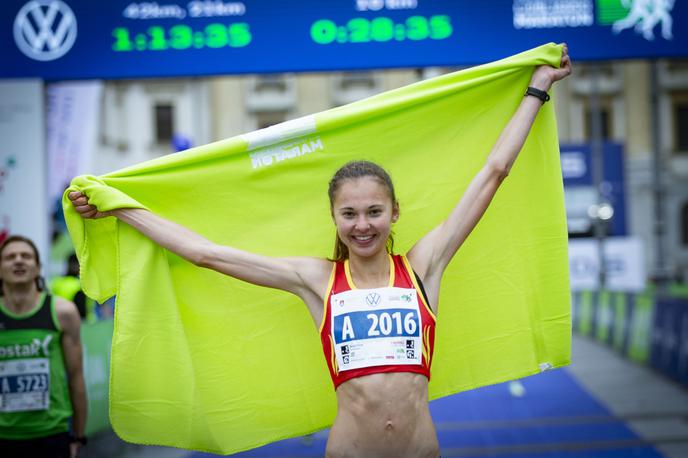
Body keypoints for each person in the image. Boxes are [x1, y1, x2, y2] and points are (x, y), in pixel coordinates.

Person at [69, 46, 571, 458]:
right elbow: (205, 253)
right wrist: (119, 209)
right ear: (334, 219)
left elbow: (492, 174)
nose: (362, 225)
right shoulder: (316, 280)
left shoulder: (423, 266)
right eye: (349, 214)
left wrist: (537, 89)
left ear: (395, 213)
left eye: (374, 212)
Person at [0, 235, 88, 458]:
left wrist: (78, 436)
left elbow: (76, 377)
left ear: (38, 267)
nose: (18, 261)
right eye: (10, 257)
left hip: (52, 435)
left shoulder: (62, 312)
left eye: (26, 256)